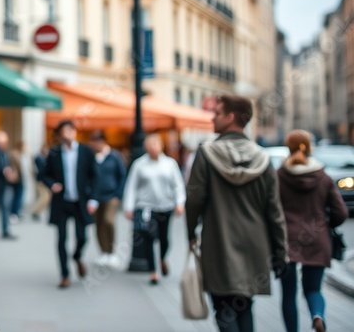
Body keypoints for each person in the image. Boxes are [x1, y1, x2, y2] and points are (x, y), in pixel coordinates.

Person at [186, 94, 288, 332]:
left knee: (223, 309)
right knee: (244, 306)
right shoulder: (263, 158)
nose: (212, 118)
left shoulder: (206, 154)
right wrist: (281, 252)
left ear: (230, 117)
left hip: (219, 243)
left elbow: (194, 201)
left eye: (217, 113)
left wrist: (190, 233)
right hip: (255, 246)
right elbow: (274, 210)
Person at [277, 129, 349, 332]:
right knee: (313, 289)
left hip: (286, 242)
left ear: (288, 148)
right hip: (318, 240)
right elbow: (341, 212)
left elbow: (270, 211)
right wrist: (326, 226)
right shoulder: (323, 176)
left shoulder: (279, 176)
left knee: (288, 294)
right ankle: (318, 315)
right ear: (309, 148)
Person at [40, 120, 98, 289]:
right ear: (60, 135)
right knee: (61, 239)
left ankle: (77, 256)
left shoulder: (86, 152)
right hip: (62, 202)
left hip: (80, 202)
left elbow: (95, 176)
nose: (66, 135)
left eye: (69, 131)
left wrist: (93, 199)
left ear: (74, 132)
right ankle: (65, 275)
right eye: (63, 132)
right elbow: (43, 174)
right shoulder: (54, 153)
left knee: (82, 237)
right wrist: (52, 184)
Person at [122, 133, 185, 285]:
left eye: (155, 144)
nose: (153, 148)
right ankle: (153, 271)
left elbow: (178, 185)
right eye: (150, 145)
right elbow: (131, 186)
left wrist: (179, 203)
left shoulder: (169, 163)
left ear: (160, 146)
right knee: (149, 237)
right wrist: (129, 206)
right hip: (146, 207)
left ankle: (162, 258)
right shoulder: (139, 164)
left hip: (165, 206)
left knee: (164, 238)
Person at [89, 130, 126, 269]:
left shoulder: (114, 157)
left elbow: (122, 175)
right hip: (96, 197)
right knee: (98, 224)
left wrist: (119, 193)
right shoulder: (92, 157)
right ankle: (103, 251)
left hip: (112, 195)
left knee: (108, 221)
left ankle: (111, 251)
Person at [31, 139, 53, 221]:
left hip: (46, 181)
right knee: (44, 197)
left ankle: (37, 212)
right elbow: (41, 170)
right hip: (41, 181)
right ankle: (35, 211)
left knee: (46, 198)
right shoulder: (38, 158)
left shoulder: (46, 158)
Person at [7, 138, 27, 221]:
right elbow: (15, 166)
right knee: (17, 196)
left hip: (20, 178)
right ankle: (14, 213)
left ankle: (16, 211)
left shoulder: (22, 154)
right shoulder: (15, 154)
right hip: (17, 179)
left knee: (18, 196)